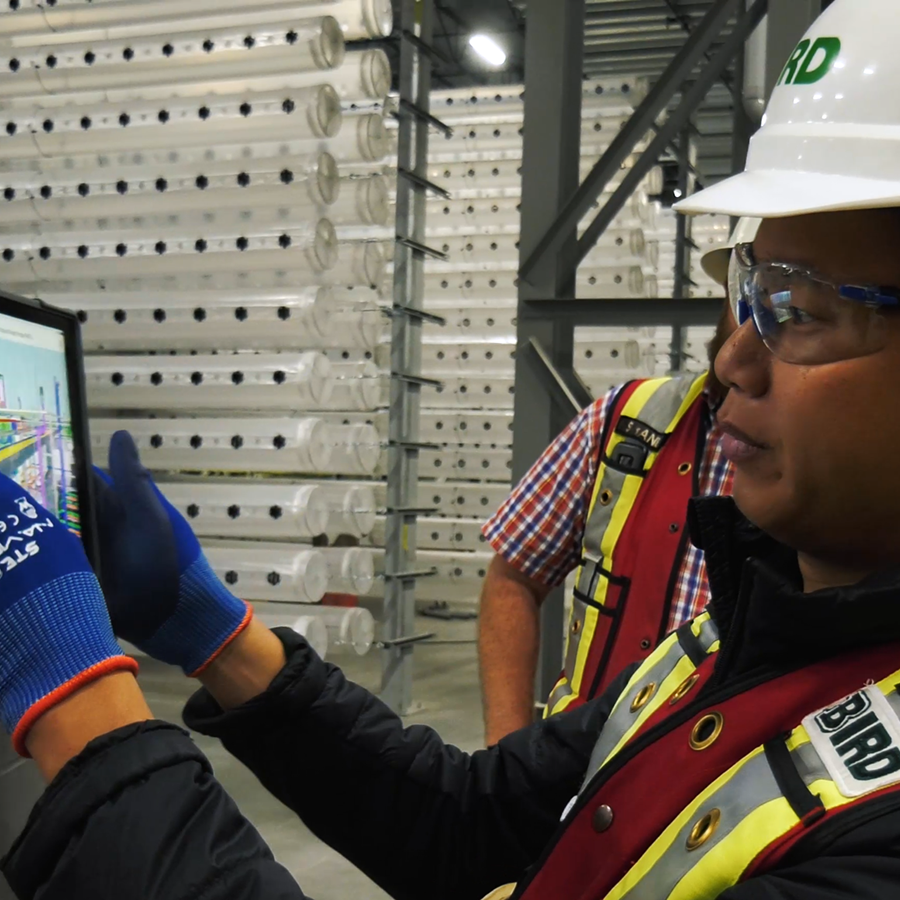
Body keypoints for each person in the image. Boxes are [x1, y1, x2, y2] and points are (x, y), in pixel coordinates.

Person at [9, 3, 900, 898]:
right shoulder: (739, 633)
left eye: (801, 310)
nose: (733, 356)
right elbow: (469, 822)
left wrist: (81, 706)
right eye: (750, 291)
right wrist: (216, 632)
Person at [476, 223, 756, 745]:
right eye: (743, 299)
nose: (741, 347)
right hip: (579, 776)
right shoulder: (628, 421)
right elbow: (513, 576)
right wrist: (508, 756)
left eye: (787, 313)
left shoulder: (842, 471)